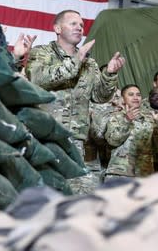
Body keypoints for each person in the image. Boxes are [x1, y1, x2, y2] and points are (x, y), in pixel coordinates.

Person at [26, 10, 125, 159]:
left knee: (72, 183)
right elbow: (38, 79)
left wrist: (109, 74)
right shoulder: (42, 53)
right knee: (45, 182)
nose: (79, 28)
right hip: (45, 136)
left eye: (81, 25)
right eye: (73, 23)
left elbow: (99, 97)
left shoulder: (90, 63)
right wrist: (76, 60)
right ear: (57, 29)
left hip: (76, 140)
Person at [104, 84, 158, 180]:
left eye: (138, 95)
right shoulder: (116, 116)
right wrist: (126, 120)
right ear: (123, 99)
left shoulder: (150, 117)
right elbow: (113, 141)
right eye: (131, 94)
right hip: (121, 173)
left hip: (145, 174)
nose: (135, 97)